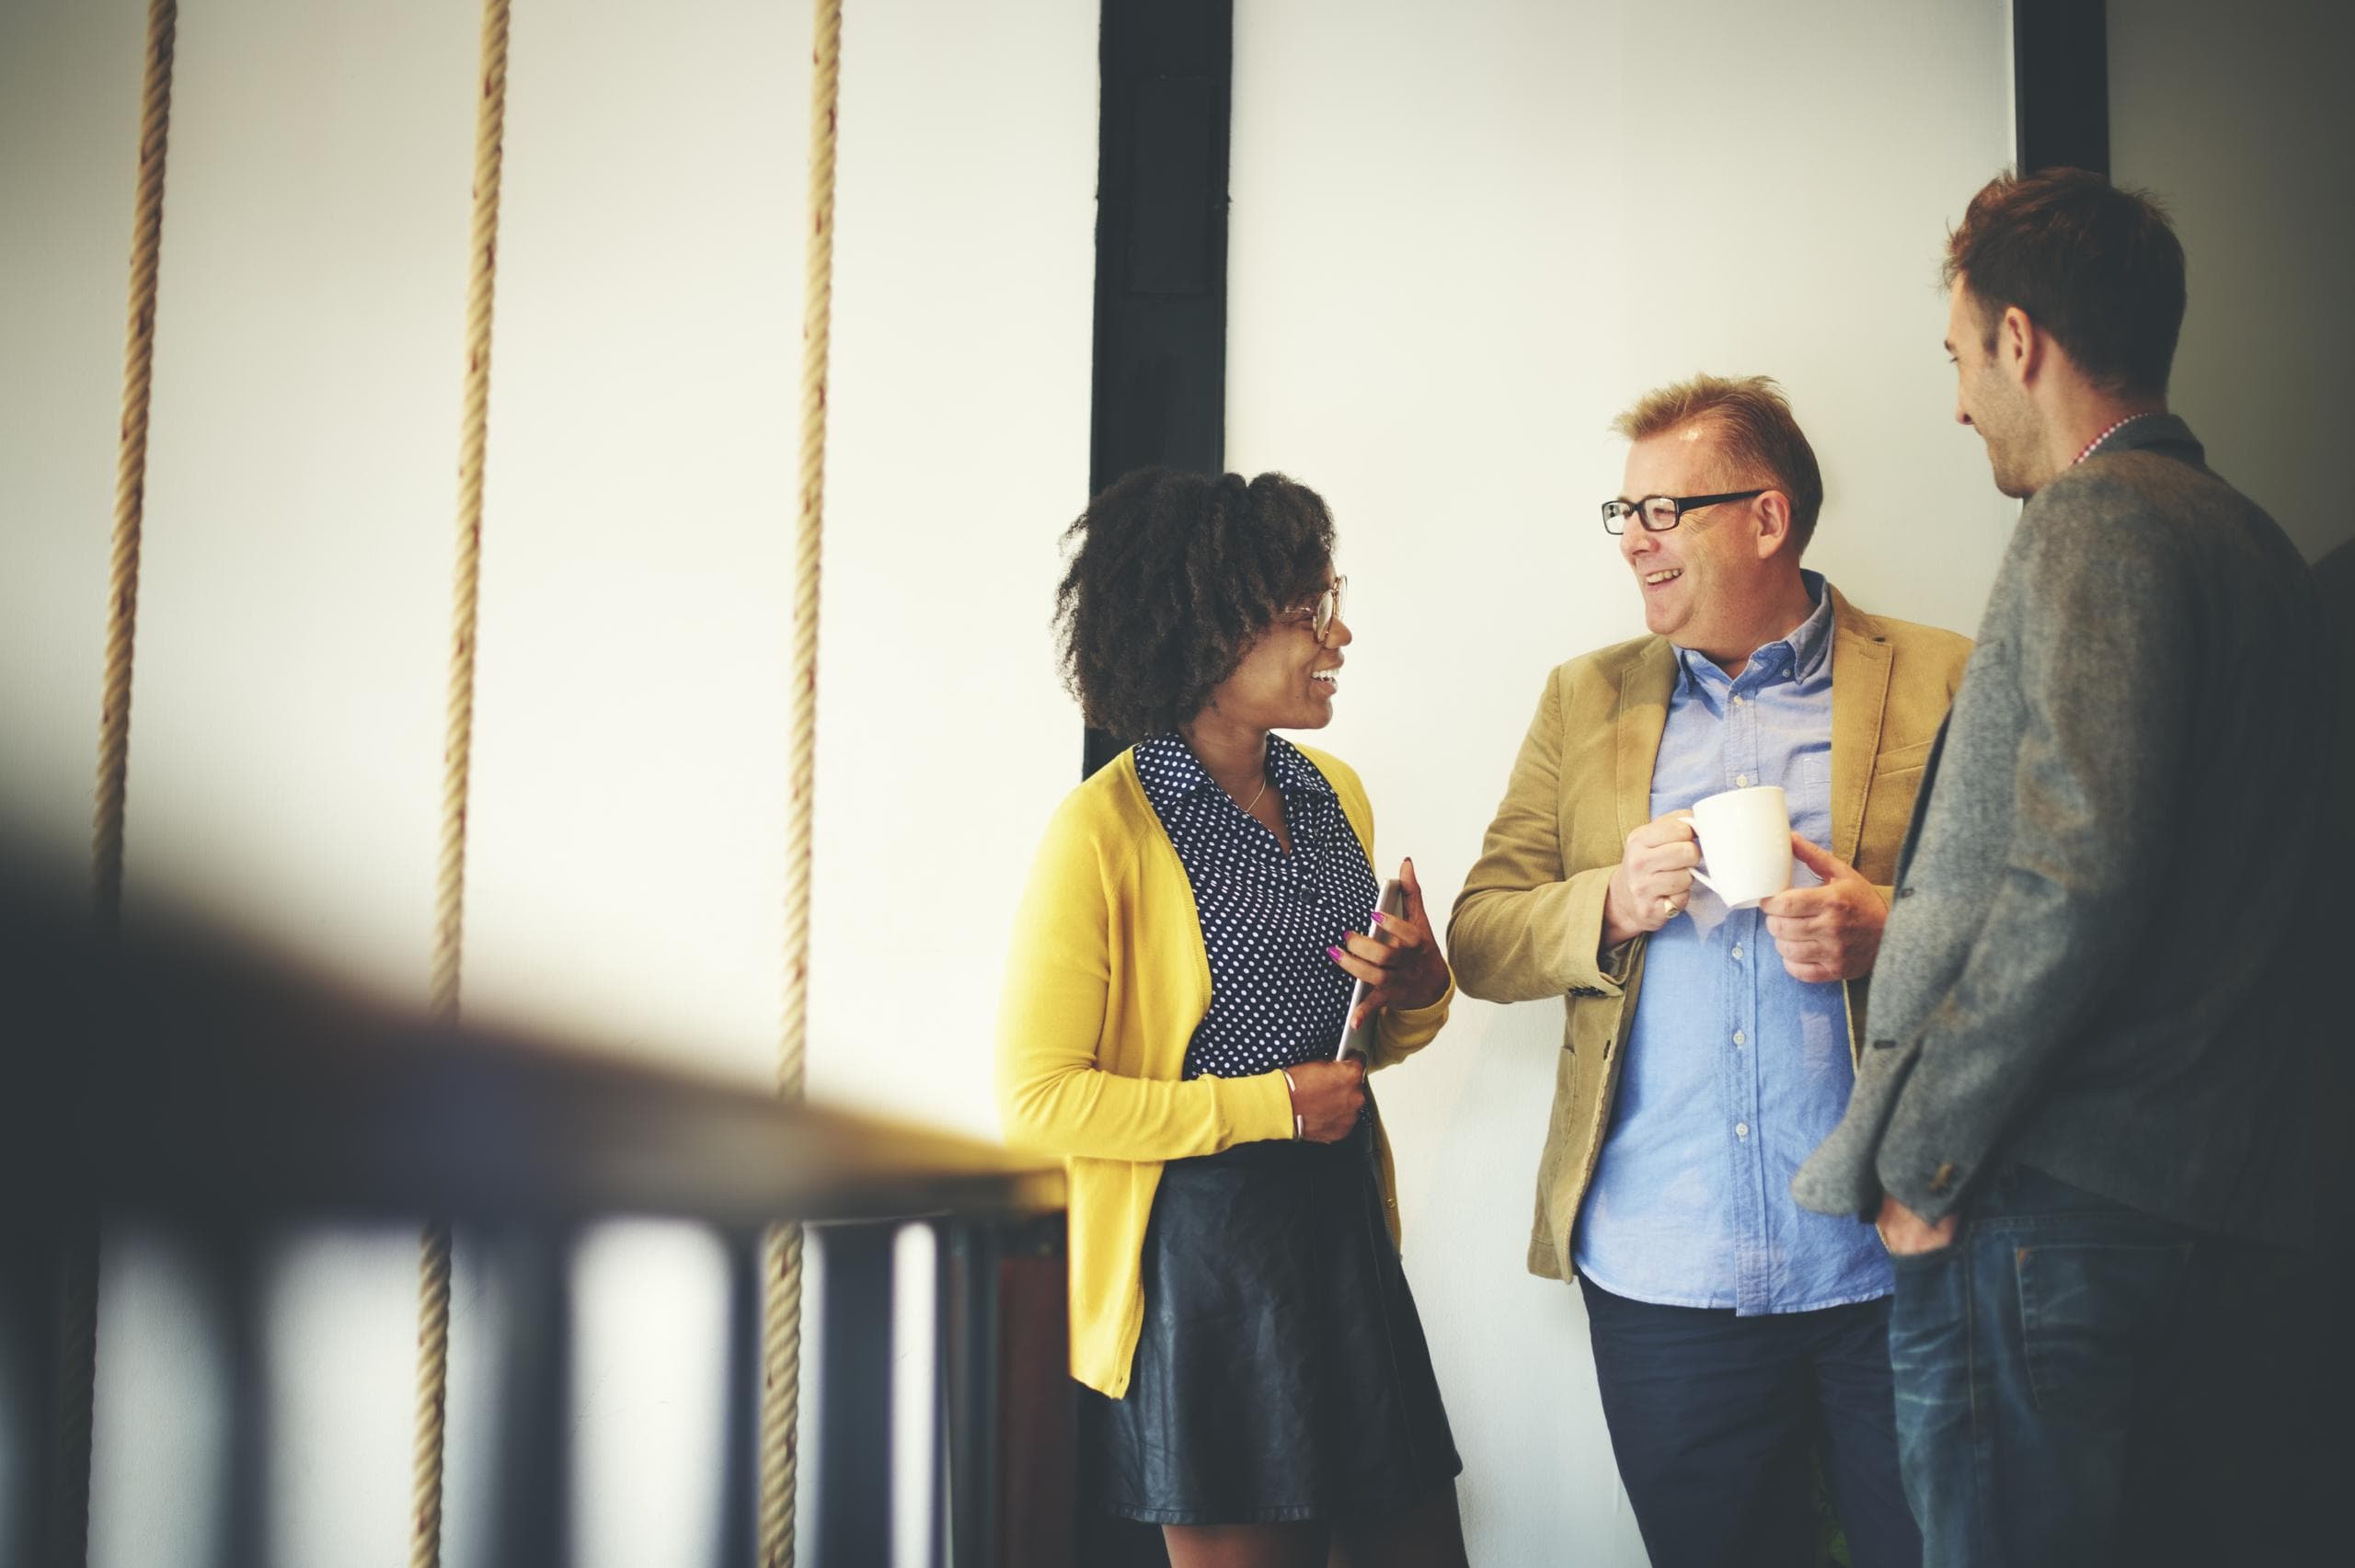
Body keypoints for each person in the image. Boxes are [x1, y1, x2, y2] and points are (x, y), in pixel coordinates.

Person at [1791, 167, 2332, 1567]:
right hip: (2214, 1204)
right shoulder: (2260, 546)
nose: (1960, 401)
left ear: (2020, 339)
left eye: (1963, 359)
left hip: (2047, 1214)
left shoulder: (2099, 520)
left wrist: (1927, 1152)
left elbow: (2079, 871)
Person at [1449, 375, 1967, 1568]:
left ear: (1766, 518)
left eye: (1662, 511)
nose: (1632, 539)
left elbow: (2044, 920)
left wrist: (1890, 925)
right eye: (1621, 513)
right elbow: (1481, 931)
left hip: (1890, 1258)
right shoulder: (1585, 698)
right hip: (1661, 1274)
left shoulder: (1945, 676)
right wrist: (1609, 902)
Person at [997, 468, 1468, 1568]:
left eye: (1328, 597)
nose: (1337, 632)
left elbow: (1361, 1045)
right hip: (1201, 1271)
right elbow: (1038, 1098)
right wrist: (1270, 1107)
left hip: (1341, 1237)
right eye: (1306, 608)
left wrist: (1413, 990)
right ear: (1203, 628)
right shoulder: (1102, 832)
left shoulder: (1331, 789)